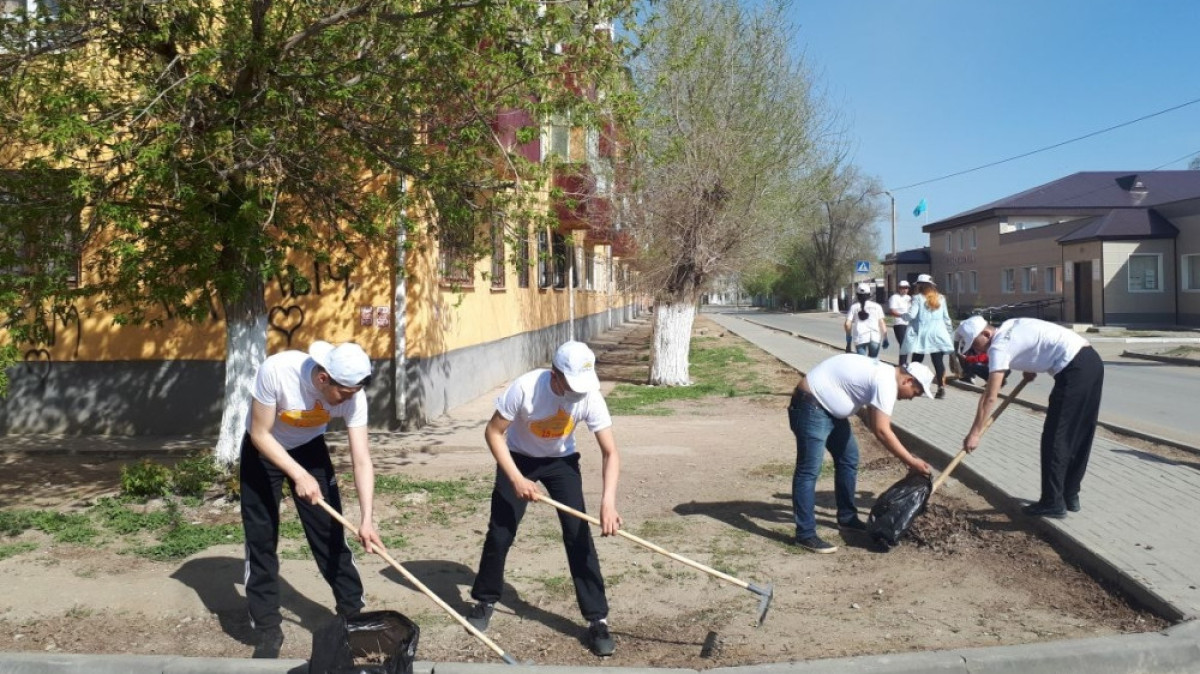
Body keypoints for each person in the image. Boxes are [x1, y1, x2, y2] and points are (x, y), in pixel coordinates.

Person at [466, 341, 622, 657]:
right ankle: (485, 600)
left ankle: (597, 619)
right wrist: (516, 478)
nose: (578, 393)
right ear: (555, 375)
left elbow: (610, 452)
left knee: (579, 534)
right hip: (519, 458)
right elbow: (493, 433)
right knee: (500, 532)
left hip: (561, 462)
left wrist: (608, 502)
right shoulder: (525, 388)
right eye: (571, 385)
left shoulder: (589, 394)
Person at [240, 340, 381, 659]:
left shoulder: (352, 394)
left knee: (330, 534)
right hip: (264, 451)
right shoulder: (277, 370)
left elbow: (362, 460)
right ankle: (266, 629)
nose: (348, 400)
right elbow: (259, 434)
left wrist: (367, 519)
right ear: (323, 379)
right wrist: (297, 474)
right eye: (344, 393)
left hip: (310, 450)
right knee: (261, 539)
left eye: (354, 393)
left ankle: (352, 616)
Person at [956, 316, 1104, 519]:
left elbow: (989, 397)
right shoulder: (1010, 325)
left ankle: (1053, 502)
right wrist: (1029, 368)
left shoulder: (998, 347)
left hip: (1074, 370)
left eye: (975, 344)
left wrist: (975, 433)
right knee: (1079, 434)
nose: (977, 351)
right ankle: (1070, 496)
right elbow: (1034, 339)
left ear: (986, 333)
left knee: (1055, 438)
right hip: (1091, 361)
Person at [787, 354, 935, 554]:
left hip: (829, 412)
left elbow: (876, 424)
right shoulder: (886, 382)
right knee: (809, 471)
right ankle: (805, 534)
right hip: (811, 407)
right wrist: (911, 461)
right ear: (907, 380)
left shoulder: (883, 375)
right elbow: (882, 431)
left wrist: (909, 461)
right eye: (915, 393)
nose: (910, 398)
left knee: (848, 459)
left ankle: (847, 518)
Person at [900, 274, 954, 399]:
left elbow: (912, 315)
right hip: (939, 334)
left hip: (923, 335)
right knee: (938, 362)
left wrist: (902, 316)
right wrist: (949, 333)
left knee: (916, 361)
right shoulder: (941, 298)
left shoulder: (917, 298)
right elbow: (946, 318)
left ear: (920, 285)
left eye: (918, 285)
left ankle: (914, 385)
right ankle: (941, 388)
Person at [844, 282, 888, 360]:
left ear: (857, 295)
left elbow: (847, 324)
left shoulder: (854, 307)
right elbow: (882, 323)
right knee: (873, 362)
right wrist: (885, 338)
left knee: (862, 364)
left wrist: (848, 340)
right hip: (874, 337)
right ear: (869, 294)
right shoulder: (877, 306)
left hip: (860, 338)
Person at [887, 280, 913, 366]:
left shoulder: (909, 298)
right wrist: (902, 316)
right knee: (903, 344)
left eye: (906, 288)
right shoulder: (894, 297)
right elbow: (892, 311)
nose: (905, 290)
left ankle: (904, 363)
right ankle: (902, 364)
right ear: (899, 288)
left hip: (908, 324)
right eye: (902, 288)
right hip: (899, 323)